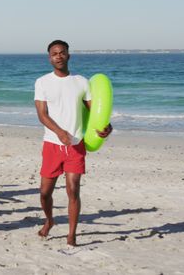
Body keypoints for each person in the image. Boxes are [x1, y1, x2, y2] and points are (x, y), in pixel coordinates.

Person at [34, 39, 113, 246]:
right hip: (52, 144)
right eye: (54, 53)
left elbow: (95, 111)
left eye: (62, 52)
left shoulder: (82, 82)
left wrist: (106, 127)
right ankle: (50, 220)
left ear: (69, 55)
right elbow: (42, 115)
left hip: (75, 145)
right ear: (49, 58)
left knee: (73, 189)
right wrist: (59, 132)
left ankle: (72, 234)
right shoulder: (42, 82)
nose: (58, 56)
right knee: (44, 193)